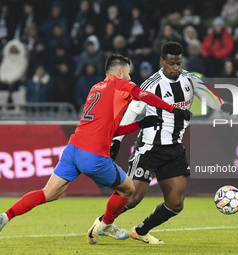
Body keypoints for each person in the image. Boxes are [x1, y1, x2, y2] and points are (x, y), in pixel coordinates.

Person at [0, 54, 191, 239]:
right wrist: (173, 110)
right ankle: (106, 225)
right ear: (119, 72)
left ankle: (5, 216)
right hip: (92, 155)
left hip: (73, 149)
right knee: (128, 188)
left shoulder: (96, 88)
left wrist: (140, 124)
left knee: (48, 193)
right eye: (128, 73)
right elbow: (145, 96)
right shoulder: (121, 84)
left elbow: (110, 129)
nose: (130, 77)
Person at [87, 42, 232, 245]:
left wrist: (224, 106)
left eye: (179, 63)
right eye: (171, 63)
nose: (176, 67)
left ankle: (141, 230)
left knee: (175, 203)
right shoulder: (151, 85)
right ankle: (102, 222)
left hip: (174, 149)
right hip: (149, 148)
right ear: (162, 61)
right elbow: (131, 112)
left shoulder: (190, 80)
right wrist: (116, 140)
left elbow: (208, 95)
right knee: (133, 197)